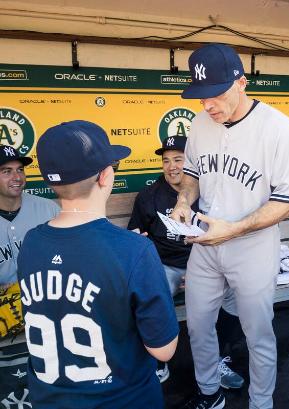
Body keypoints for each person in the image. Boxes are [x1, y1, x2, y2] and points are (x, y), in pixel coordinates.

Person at [171, 44, 289, 409]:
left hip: (253, 247)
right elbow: (191, 174)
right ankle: (209, 393)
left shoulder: (277, 128)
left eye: (214, 94)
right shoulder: (200, 123)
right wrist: (184, 201)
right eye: (200, 97)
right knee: (198, 325)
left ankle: (261, 403)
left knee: (258, 334)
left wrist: (233, 230)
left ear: (241, 82)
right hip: (205, 242)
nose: (207, 105)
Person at [17, 120, 179, 409]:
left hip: (49, 400)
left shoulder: (31, 242)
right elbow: (164, 350)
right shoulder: (135, 250)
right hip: (123, 400)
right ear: (105, 176)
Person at [128, 135, 244, 389]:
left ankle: (216, 358)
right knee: (153, 291)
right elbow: (136, 237)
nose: (171, 167)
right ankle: (157, 358)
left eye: (178, 159)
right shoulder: (149, 196)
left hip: (205, 261)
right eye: (166, 161)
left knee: (235, 294)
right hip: (165, 264)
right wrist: (143, 248)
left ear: (190, 162)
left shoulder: (209, 192)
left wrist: (201, 269)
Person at [0, 144, 59, 338]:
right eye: (6, 171)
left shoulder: (49, 209)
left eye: (20, 170)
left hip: (48, 305)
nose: (17, 177)